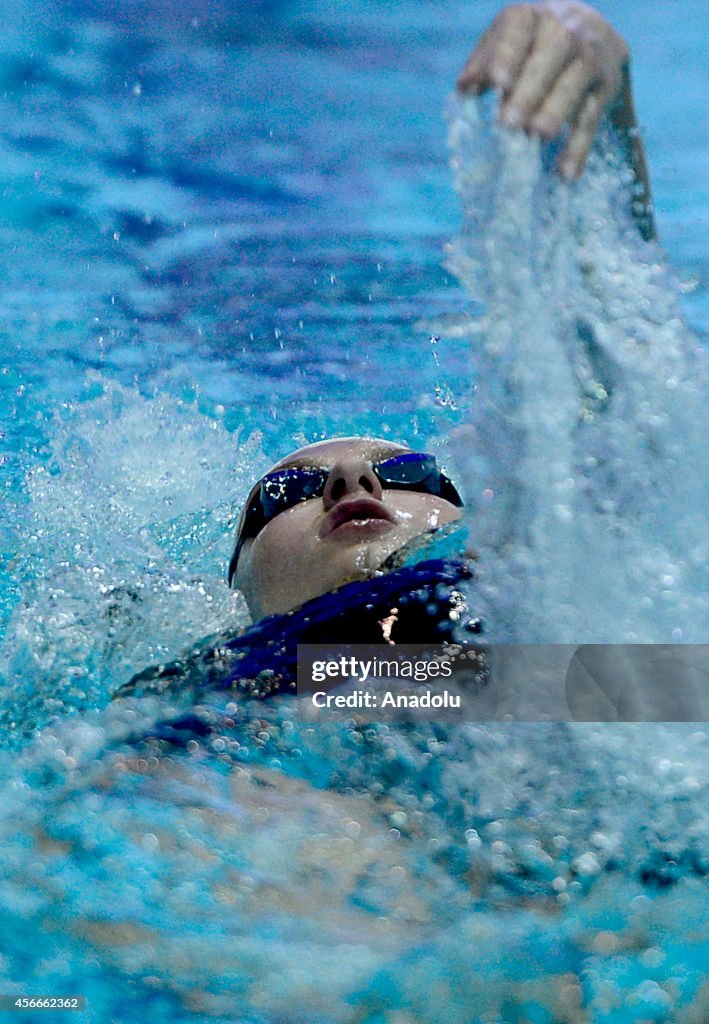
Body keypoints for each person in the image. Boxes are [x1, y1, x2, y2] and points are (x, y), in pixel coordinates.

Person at [117, 0, 654, 704]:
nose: (349, 481)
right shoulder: (201, 698)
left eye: (410, 474)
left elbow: (622, 377)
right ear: (234, 588)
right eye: (290, 492)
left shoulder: (560, 625)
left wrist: (604, 94)